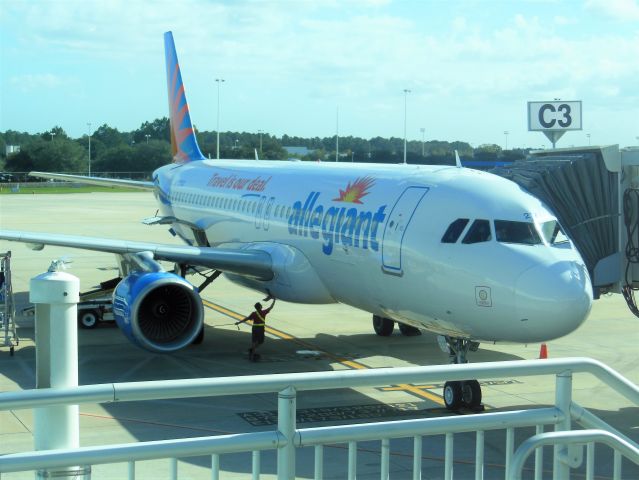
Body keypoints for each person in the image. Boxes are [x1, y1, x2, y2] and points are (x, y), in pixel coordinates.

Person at [236, 294, 276, 361]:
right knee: (261, 341)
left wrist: (239, 322)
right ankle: (252, 351)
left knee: (254, 341)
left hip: (254, 328)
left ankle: (252, 352)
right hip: (260, 329)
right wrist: (274, 300)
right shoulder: (263, 312)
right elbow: (271, 307)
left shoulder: (254, 313)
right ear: (260, 307)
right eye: (261, 305)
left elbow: (247, 318)